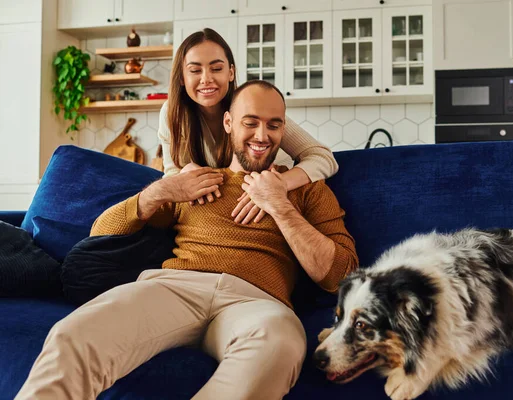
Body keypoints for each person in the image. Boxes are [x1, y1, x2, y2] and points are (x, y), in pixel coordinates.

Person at [16, 80, 359, 400]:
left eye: (274, 125)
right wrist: (161, 191)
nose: (262, 135)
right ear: (228, 123)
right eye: (250, 122)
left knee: (281, 344)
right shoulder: (196, 180)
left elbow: (339, 276)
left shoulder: (305, 189)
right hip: (174, 288)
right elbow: (102, 232)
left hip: (257, 304)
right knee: (74, 335)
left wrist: (279, 205)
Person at [159, 28, 339, 224]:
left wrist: (278, 185)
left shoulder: (250, 104)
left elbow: (322, 157)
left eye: (216, 68)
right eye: (195, 70)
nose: (206, 79)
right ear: (181, 78)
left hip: (267, 203)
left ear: (231, 72)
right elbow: (171, 173)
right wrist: (183, 174)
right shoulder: (171, 114)